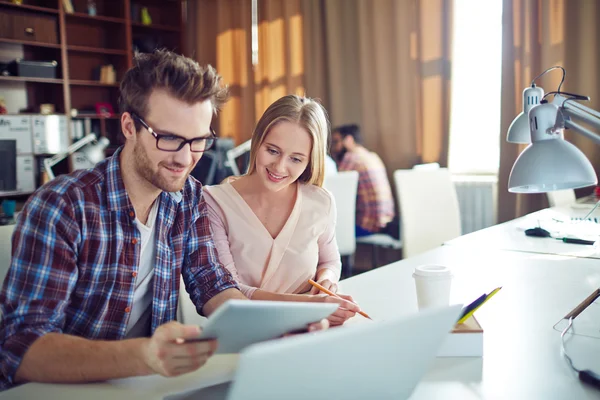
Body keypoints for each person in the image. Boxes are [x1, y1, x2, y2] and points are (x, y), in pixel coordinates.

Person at [0, 51, 325, 391]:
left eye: (198, 140)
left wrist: (275, 327)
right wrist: (143, 356)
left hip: (148, 386)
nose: (185, 159)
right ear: (129, 126)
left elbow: (211, 284)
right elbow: (20, 349)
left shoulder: (187, 198)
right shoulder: (62, 207)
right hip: (63, 391)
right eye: (169, 138)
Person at [204, 95, 360, 326]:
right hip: (244, 329)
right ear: (257, 142)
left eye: (296, 159)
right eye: (273, 151)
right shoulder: (215, 202)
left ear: (309, 162)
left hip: (308, 327)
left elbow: (330, 261)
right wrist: (305, 306)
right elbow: (228, 290)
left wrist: (327, 282)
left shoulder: (320, 202)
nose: (279, 167)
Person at [331, 124, 397, 238]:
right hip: (386, 222)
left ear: (349, 140)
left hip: (368, 225)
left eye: (336, 142)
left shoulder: (351, 158)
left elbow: (337, 193)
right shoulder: (372, 156)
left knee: (326, 235)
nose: (334, 148)